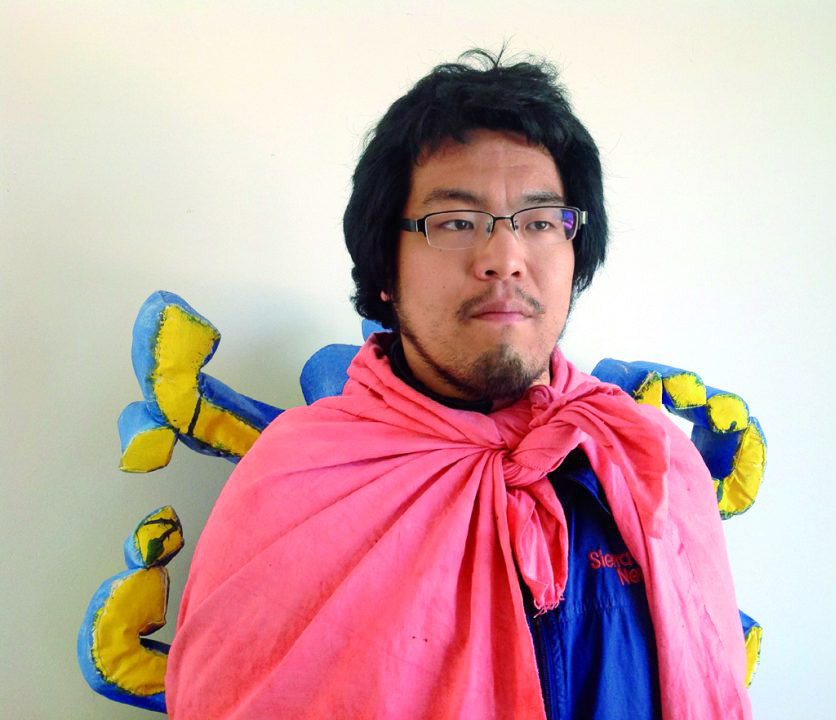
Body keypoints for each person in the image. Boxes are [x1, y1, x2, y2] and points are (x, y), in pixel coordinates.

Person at [165, 50, 752, 719]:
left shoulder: (648, 462)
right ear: (385, 269)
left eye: (540, 221)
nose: (504, 257)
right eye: (455, 223)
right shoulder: (296, 483)